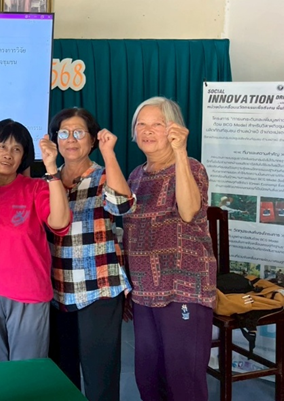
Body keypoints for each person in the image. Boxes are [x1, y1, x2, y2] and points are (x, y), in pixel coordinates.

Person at [124, 97, 215, 401]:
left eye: (157, 124)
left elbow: (189, 212)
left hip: (182, 290)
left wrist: (180, 153)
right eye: (141, 124)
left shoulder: (191, 167)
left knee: (183, 381)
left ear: (173, 129)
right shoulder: (135, 176)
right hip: (144, 292)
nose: (147, 131)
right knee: (148, 380)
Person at [47, 108, 133, 401]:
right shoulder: (49, 179)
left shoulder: (103, 175)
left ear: (93, 139)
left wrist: (109, 154)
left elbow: (122, 206)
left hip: (98, 288)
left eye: (79, 133)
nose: (70, 139)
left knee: (100, 380)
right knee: (63, 379)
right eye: (63, 133)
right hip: (58, 290)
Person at [0, 119, 71, 363]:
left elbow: (59, 222)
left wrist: (52, 169)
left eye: (16, 149)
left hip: (29, 295)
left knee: (26, 371)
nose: (8, 154)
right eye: (2, 146)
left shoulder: (35, 188)